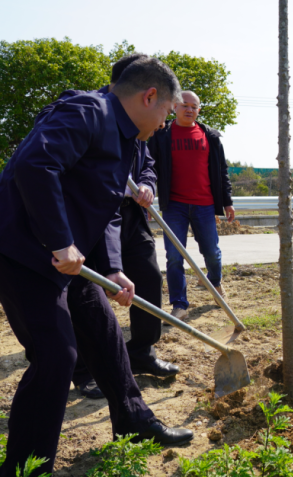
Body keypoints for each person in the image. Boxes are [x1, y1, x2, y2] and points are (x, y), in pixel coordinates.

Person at [0, 57, 193, 476]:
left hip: (71, 260)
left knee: (105, 337)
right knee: (56, 356)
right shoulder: (86, 112)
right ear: (150, 96)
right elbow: (35, 166)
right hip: (24, 254)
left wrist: (111, 268)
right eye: (166, 113)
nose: (165, 123)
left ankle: (134, 420)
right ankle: (24, 468)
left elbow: (104, 209)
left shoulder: (130, 142)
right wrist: (61, 242)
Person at [60, 54, 179, 401]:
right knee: (88, 294)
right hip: (94, 216)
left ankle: (142, 350)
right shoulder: (91, 110)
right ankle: (84, 371)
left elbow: (149, 164)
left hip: (129, 214)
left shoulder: (140, 120)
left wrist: (147, 184)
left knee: (146, 277)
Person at [148, 91, 234, 322]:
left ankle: (214, 282)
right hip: (173, 206)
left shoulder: (211, 137)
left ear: (199, 110)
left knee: (212, 253)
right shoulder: (160, 135)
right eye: (185, 105)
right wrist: (147, 200)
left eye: (194, 106)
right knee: (174, 257)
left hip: (205, 205)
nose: (189, 110)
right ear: (175, 106)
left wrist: (226, 201)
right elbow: (148, 169)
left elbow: (222, 172)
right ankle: (179, 304)